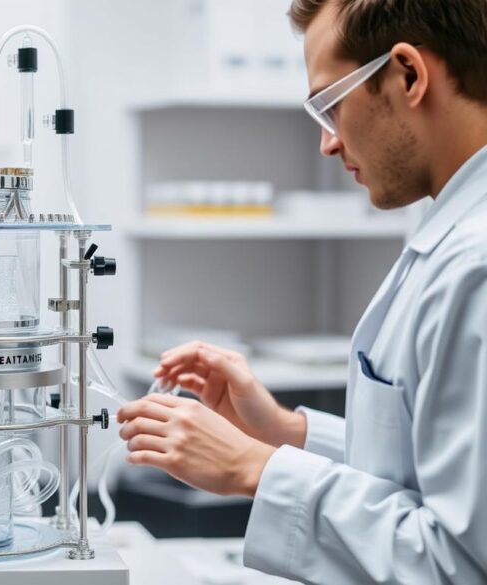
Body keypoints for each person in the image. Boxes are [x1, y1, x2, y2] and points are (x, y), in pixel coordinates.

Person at [117, 1, 487, 583]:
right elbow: (428, 473)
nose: (327, 143)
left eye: (330, 104)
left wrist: (254, 467)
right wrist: (286, 433)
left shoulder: (476, 265)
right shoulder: (450, 234)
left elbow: (458, 564)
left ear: (408, 75)